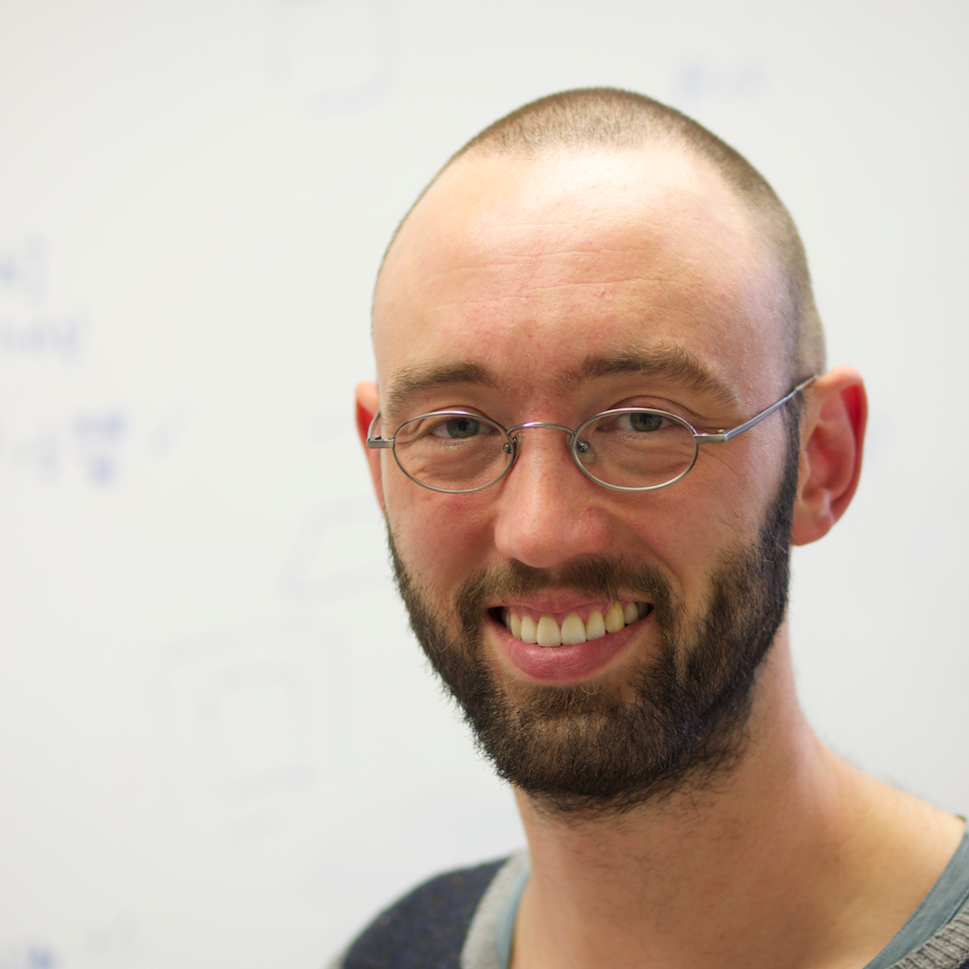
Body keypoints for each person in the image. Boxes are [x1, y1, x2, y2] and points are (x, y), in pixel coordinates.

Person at [334, 88, 969, 969]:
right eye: (456, 429)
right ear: (379, 466)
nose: (541, 531)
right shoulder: (396, 953)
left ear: (818, 460)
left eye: (641, 422)